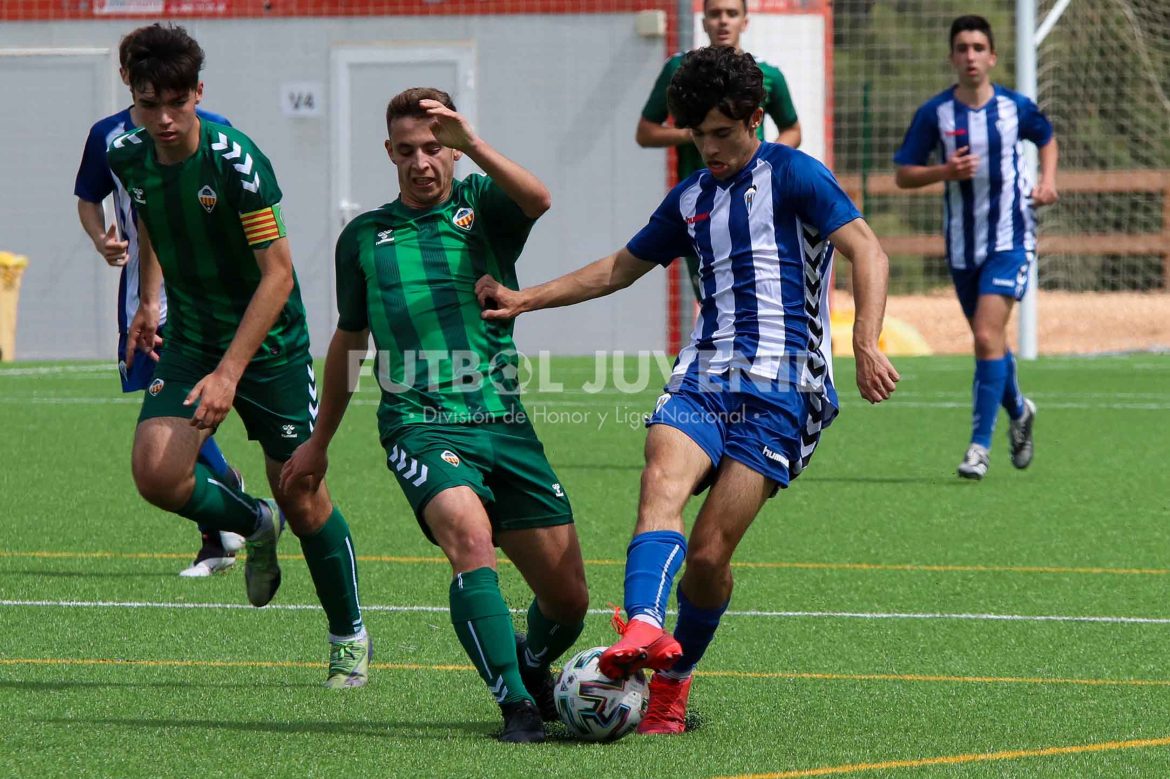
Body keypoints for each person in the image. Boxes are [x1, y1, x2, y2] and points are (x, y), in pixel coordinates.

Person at [476, 47, 899, 735]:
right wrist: (527, 298)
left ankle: (673, 681)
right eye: (699, 136)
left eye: (722, 134)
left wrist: (865, 340)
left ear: (754, 119)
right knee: (661, 479)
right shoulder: (691, 198)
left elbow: (868, 250)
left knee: (707, 559)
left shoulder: (794, 174)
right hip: (704, 374)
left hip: (785, 389)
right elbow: (619, 268)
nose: (710, 149)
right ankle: (643, 624)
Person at [280, 88, 588, 742]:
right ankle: (516, 706)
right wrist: (318, 441)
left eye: (433, 147)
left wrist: (471, 140)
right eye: (406, 150)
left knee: (569, 601)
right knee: (469, 541)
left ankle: (532, 664)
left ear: (452, 149)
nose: (421, 162)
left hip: (503, 422)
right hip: (419, 423)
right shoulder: (363, 238)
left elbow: (538, 198)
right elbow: (350, 340)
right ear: (389, 153)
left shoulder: (483, 206)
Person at [108, 23, 369, 687]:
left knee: (302, 491)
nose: (164, 120)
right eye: (148, 104)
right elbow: (150, 221)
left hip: (270, 344)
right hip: (192, 336)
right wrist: (148, 300)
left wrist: (230, 372)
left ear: (199, 92)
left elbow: (277, 275)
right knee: (155, 474)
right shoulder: (127, 153)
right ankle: (254, 521)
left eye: (177, 102)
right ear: (131, 94)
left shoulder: (236, 160)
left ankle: (348, 635)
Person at [75, 26, 245, 578]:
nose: (163, 114)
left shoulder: (216, 131)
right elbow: (89, 198)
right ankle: (223, 510)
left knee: (182, 414)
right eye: (144, 87)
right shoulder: (110, 137)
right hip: (143, 300)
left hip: (209, 299)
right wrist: (102, 239)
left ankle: (226, 513)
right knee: (168, 413)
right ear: (126, 77)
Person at [894, 14, 1057, 480]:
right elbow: (904, 174)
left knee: (986, 336)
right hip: (963, 246)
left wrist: (1047, 181)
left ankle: (978, 448)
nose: (970, 56)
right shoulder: (936, 114)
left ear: (992, 57)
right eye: (962, 48)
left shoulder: (1014, 107)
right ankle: (1020, 409)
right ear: (952, 57)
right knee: (992, 342)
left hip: (1011, 237)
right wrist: (943, 172)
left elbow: (1046, 137)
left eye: (978, 48)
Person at [637, 0, 801, 302]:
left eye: (731, 13)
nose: (723, 21)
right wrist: (695, 133)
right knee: (712, 293)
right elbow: (645, 132)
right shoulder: (679, 69)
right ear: (703, 22)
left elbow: (792, 128)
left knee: (760, 288)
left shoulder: (767, 74)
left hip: (754, 196)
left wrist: (769, 159)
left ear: (745, 21)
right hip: (703, 204)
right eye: (714, 14)